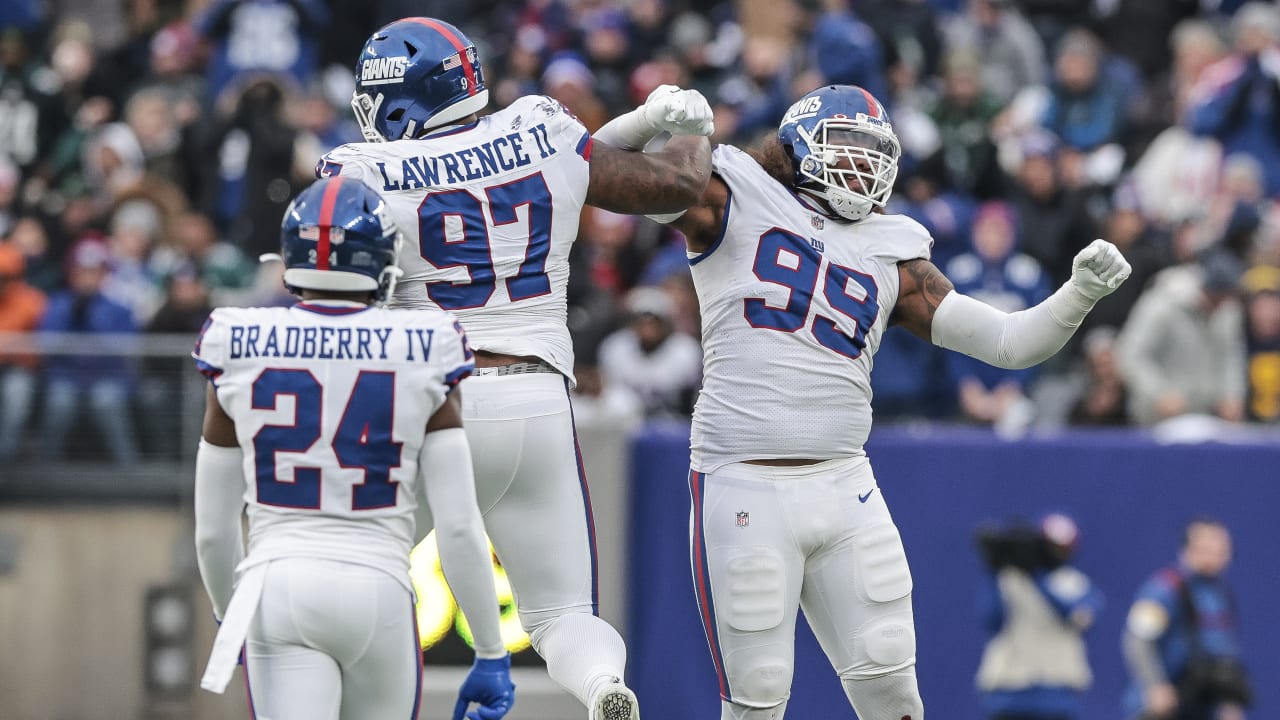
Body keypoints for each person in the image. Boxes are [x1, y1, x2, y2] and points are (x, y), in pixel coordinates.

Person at [661, 84, 1130, 719]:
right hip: (744, 480)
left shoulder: (891, 249)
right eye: (849, 147)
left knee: (893, 691)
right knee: (758, 698)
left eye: (875, 153)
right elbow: (630, 186)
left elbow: (1010, 343)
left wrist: (1078, 293)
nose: (864, 165)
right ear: (799, 144)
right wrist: (658, 126)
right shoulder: (739, 189)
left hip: (845, 482)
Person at [315, 17, 714, 720]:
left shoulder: (363, 171)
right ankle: (603, 688)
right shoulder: (541, 128)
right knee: (563, 614)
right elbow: (658, 184)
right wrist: (683, 126)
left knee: (347, 589)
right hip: (534, 399)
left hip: (431, 405)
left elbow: (326, 281)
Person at [191, 178, 514, 720]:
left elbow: (213, 531)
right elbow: (458, 527)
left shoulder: (236, 341)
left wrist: (230, 614)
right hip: (378, 587)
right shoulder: (425, 345)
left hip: (279, 582)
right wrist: (489, 650)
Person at [974, 513, 1104, 720]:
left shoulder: (1075, 584)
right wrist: (994, 570)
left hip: (1057, 693)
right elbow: (991, 622)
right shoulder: (1009, 580)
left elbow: (1078, 618)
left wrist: (1037, 578)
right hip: (1009, 691)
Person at [1123, 519, 1251, 720]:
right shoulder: (1163, 589)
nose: (1212, 557)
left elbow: (1224, 649)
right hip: (1164, 706)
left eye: (1219, 550)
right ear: (1186, 550)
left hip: (1204, 706)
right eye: (1205, 549)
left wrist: (1229, 701)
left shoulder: (1220, 594)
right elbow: (1138, 641)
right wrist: (1155, 686)